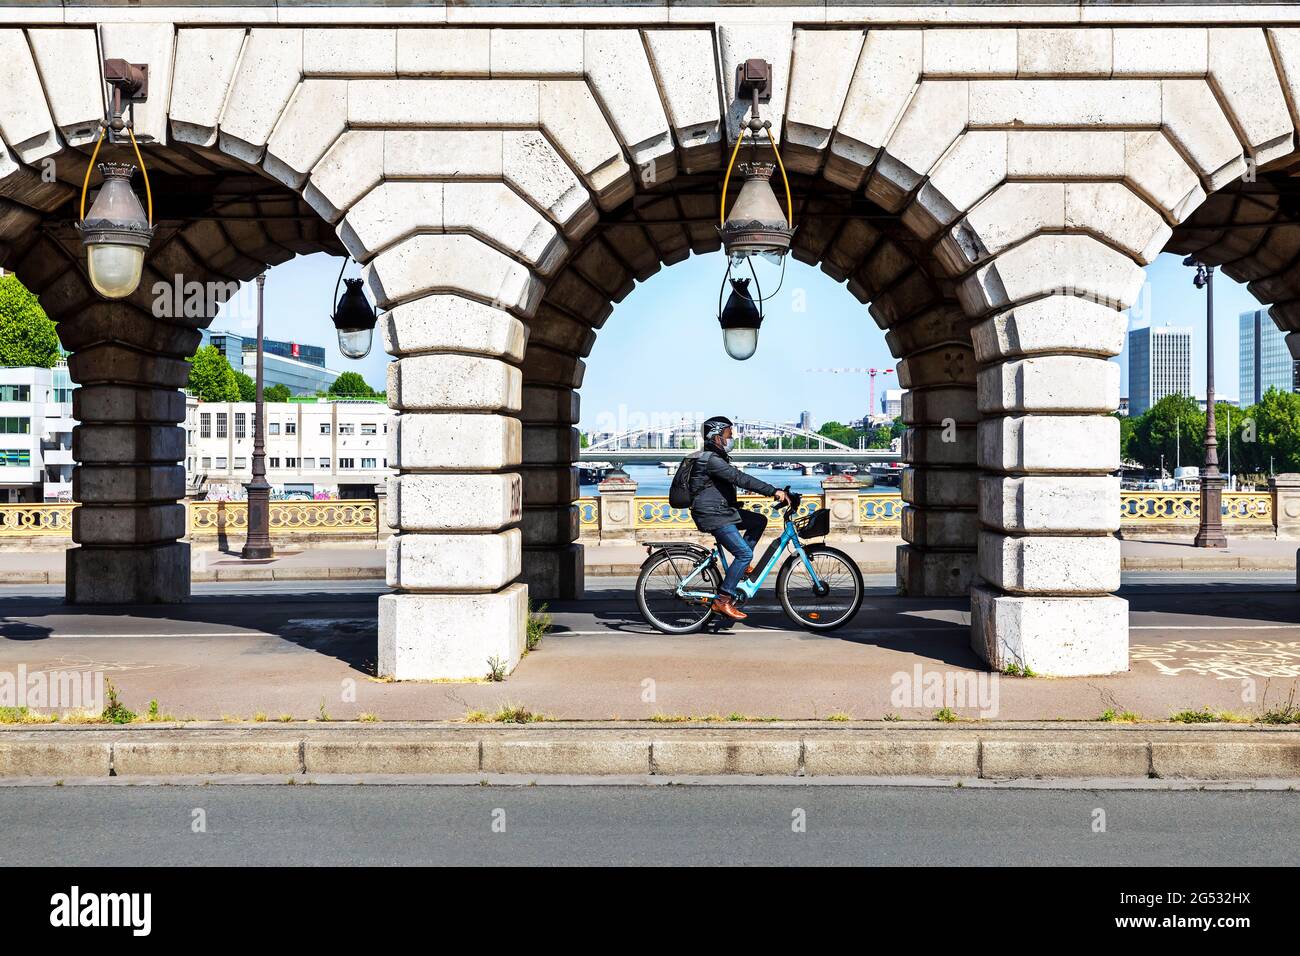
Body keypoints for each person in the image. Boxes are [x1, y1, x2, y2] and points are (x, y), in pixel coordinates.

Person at [687, 416, 789, 620]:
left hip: (721, 509)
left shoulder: (715, 457)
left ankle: (740, 570)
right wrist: (773, 491)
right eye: (729, 435)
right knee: (744, 554)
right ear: (716, 437)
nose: (731, 438)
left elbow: (725, 485)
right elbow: (740, 478)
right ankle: (722, 600)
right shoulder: (712, 460)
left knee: (759, 521)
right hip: (713, 514)